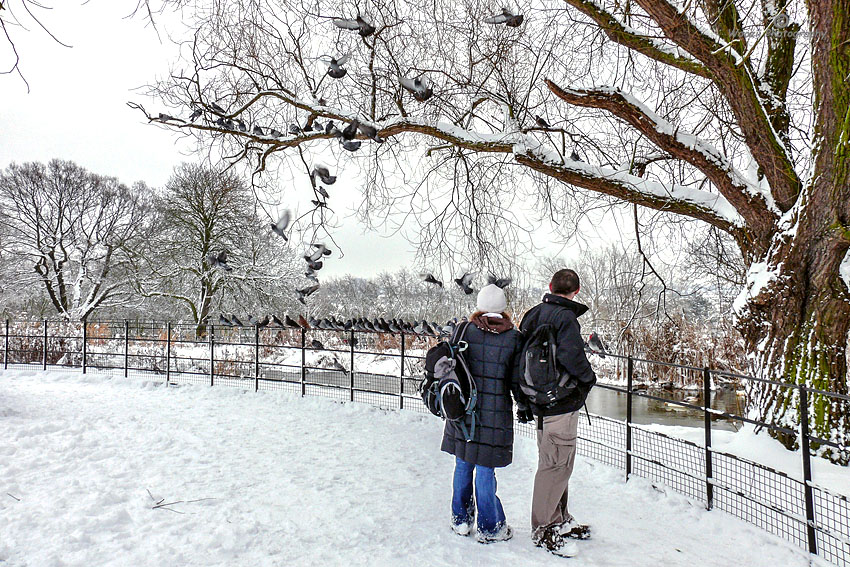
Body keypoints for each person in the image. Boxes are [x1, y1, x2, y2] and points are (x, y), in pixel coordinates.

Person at [516, 268, 597, 557]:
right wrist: (588, 380)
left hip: (538, 403)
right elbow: (572, 357)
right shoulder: (567, 320)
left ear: (550, 287)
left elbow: (516, 361)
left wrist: (523, 402)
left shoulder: (532, 315)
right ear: (575, 291)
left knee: (555, 462)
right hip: (561, 404)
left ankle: (559, 519)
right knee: (556, 465)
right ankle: (544, 528)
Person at [441, 283, 524, 543]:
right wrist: (524, 406)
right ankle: (491, 527)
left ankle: (461, 520)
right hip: (495, 414)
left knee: (463, 464)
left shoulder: (463, 330)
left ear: (479, 306)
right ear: (503, 309)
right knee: (486, 469)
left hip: (464, 410)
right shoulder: (514, 338)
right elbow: (517, 380)